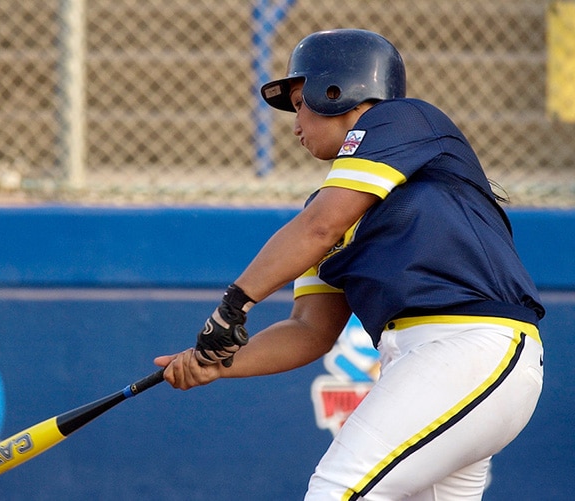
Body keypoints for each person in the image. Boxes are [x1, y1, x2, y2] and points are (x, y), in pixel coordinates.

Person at [154, 28, 545, 500]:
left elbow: (319, 228)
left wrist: (233, 305)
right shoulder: (326, 205)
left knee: (337, 490)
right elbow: (309, 331)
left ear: (337, 91)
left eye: (301, 102)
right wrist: (217, 364)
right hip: (424, 367)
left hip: (470, 348)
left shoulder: (402, 119)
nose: (295, 123)